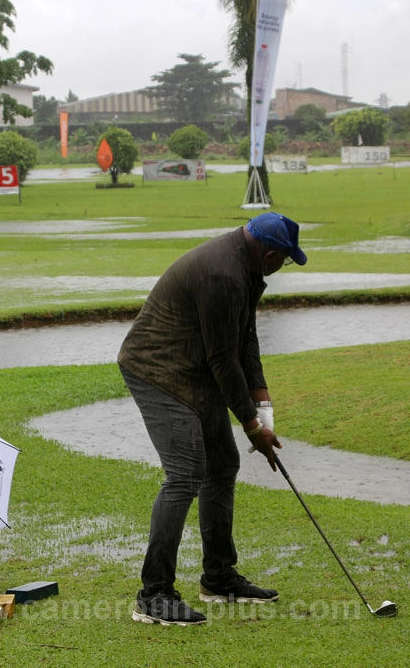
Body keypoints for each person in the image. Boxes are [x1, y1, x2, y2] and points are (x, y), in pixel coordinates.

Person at [117, 211, 307, 626]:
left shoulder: (248, 266)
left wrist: (262, 399)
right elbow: (224, 360)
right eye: (286, 260)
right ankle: (153, 595)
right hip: (158, 369)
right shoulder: (222, 274)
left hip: (193, 368)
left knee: (222, 466)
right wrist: (252, 427)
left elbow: (246, 338)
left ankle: (219, 577)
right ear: (270, 252)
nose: (283, 266)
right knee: (185, 474)